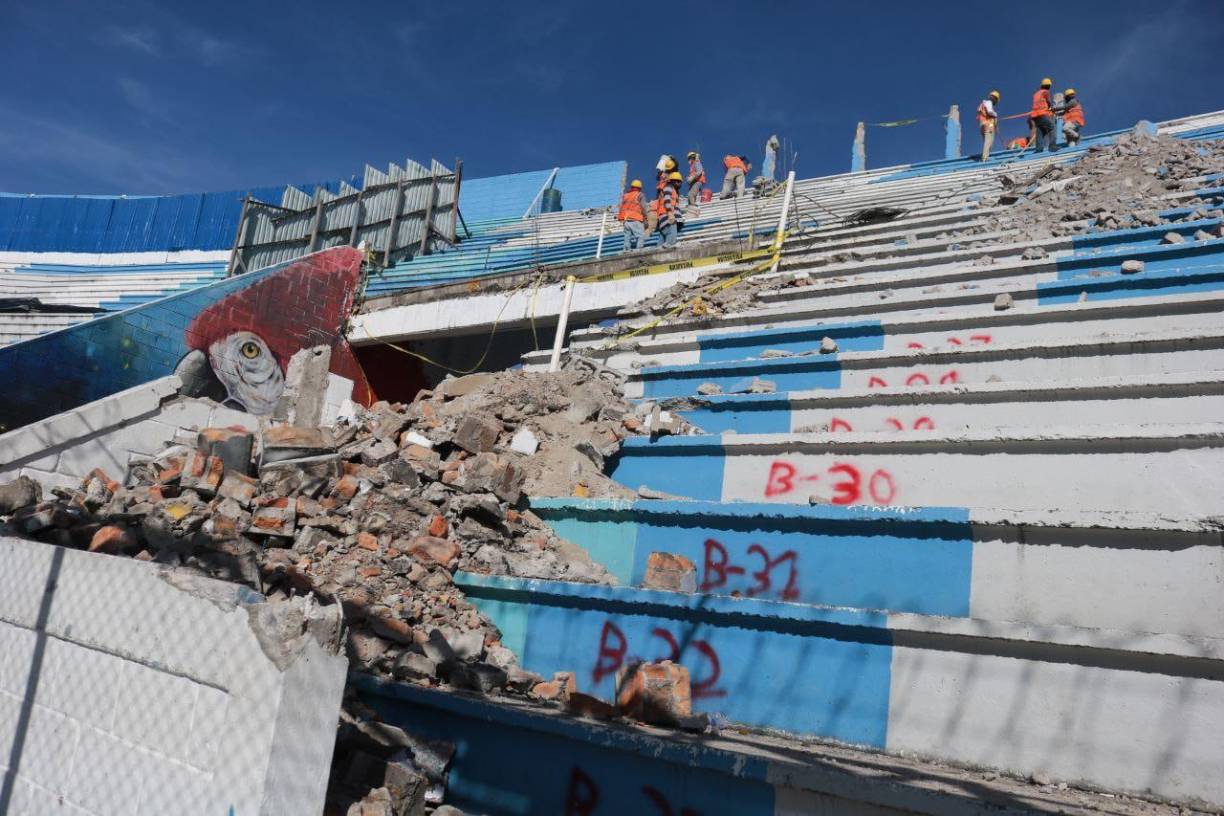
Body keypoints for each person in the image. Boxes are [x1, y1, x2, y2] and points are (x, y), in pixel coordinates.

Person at [617, 180, 647, 251]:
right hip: (635, 219)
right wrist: (645, 217)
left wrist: (621, 219)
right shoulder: (640, 195)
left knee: (627, 237)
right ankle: (639, 249)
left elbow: (621, 207)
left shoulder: (625, 196)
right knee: (641, 236)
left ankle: (626, 250)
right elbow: (643, 207)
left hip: (626, 220)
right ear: (640, 188)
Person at [655, 171, 683, 248]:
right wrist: (670, 213)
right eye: (677, 181)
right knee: (672, 234)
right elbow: (667, 200)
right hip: (667, 216)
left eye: (680, 182)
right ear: (672, 181)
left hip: (665, 217)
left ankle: (658, 249)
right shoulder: (668, 188)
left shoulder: (674, 191)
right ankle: (669, 247)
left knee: (663, 237)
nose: (679, 184)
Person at [1029, 78, 1056, 153]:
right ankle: (1052, 146)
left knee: (1040, 131)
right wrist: (1051, 108)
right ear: (1049, 86)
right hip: (1042, 113)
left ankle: (1039, 149)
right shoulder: (1046, 92)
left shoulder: (1036, 94)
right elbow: (1048, 102)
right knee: (1052, 127)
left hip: (1035, 116)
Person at [977, 90, 1001, 161]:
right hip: (988, 125)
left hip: (982, 124)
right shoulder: (989, 102)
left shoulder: (983, 104)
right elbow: (990, 111)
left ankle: (985, 156)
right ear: (995, 99)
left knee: (987, 141)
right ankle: (985, 158)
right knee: (989, 141)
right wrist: (996, 115)